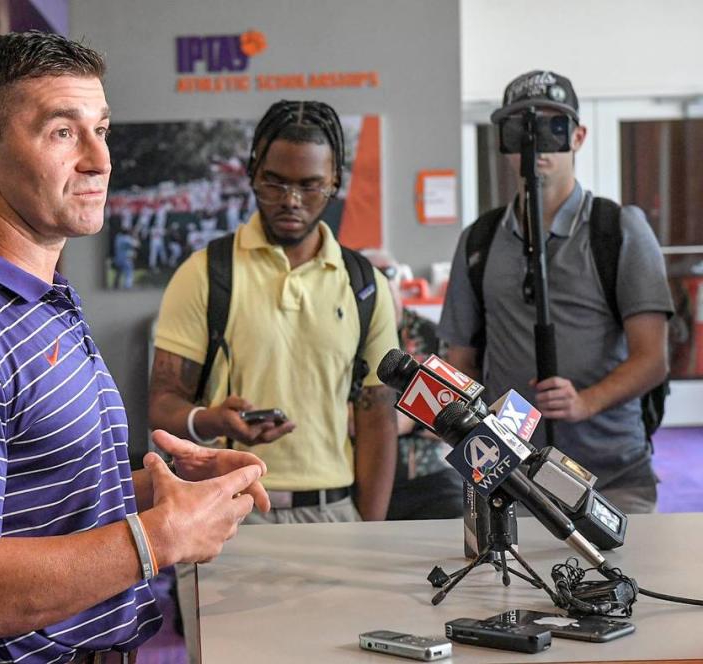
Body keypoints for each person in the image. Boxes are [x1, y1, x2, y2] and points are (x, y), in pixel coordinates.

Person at [0, 32, 271, 664]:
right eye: (62, 132)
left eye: (102, 129)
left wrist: (158, 490)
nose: (101, 160)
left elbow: (28, 498)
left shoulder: (36, 298)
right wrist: (161, 536)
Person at [149, 100, 400, 525]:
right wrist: (212, 419)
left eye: (310, 185)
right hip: (228, 506)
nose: (291, 200)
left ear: (335, 182)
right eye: (274, 183)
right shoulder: (206, 273)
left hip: (333, 513)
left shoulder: (364, 285)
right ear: (252, 174)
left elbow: (378, 418)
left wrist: (370, 530)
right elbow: (162, 403)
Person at [438, 70, 673, 514]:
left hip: (612, 474)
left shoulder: (619, 230)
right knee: (503, 586)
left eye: (553, 128)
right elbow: (460, 358)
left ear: (578, 136)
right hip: (512, 475)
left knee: (619, 578)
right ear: (503, 142)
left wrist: (586, 401)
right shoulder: (479, 241)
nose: (536, 145)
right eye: (520, 131)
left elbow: (652, 357)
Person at [369, 255, 464, 520]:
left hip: (430, 479)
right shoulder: (348, 335)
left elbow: (465, 412)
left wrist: (412, 422)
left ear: (398, 292)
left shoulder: (431, 335)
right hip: (363, 478)